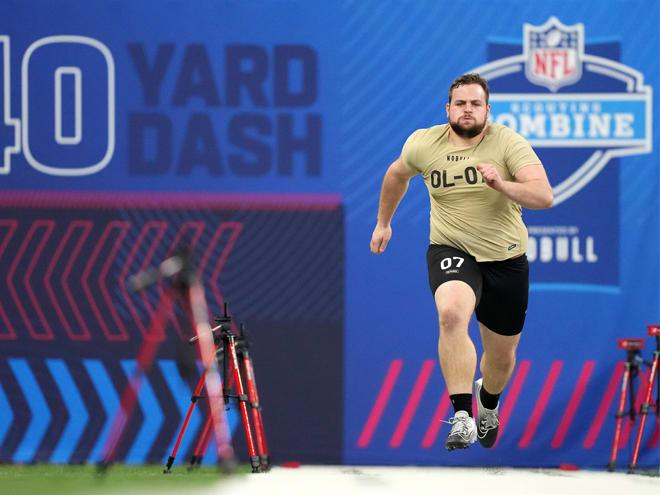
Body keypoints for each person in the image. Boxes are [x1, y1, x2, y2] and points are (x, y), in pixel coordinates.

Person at [370, 73, 553, 451]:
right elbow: (396, 174)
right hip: (451, 249)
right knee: (451, 313)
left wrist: (501, 184)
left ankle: (488, 401)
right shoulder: (424, 142)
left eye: (475, 104)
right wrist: (383, 223)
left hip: (505, 258)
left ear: (487, 110)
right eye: (460, 103)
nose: (467, 110)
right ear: (448, 108)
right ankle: (463, 416)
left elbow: (543, 196)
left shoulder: (507, 142)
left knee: (500, 359)